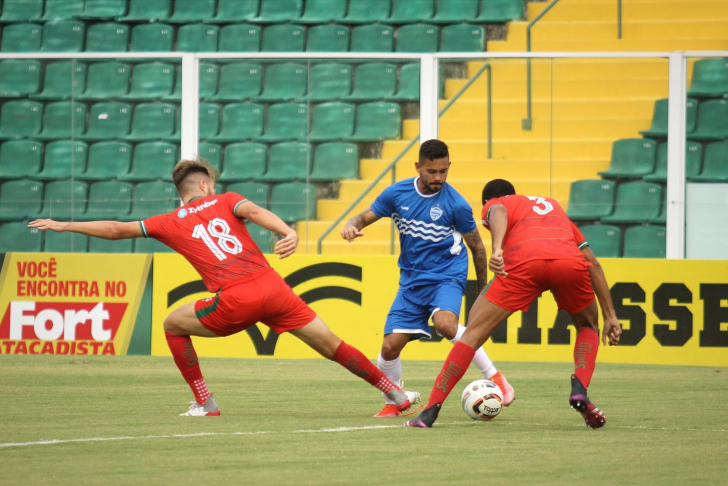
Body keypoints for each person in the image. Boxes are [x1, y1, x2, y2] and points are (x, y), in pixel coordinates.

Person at [28, 157, 420, 417]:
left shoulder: (167, 221)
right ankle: (394, 392)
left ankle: (205, 401)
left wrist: (64, 225)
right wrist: (286, 231)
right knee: (333, 345)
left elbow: (116, 229)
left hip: (236, 298)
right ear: (204, 183)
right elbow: (253, 211)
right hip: (273, 287)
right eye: (211, 181)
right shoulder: (227, 199)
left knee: (171, 323)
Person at [404, 179, 622, 429]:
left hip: (524, 264)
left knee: (472, 335)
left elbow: (498, 211)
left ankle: (430, 411)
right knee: (587, 326)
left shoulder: (496, 202)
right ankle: (580, 388)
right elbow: (592, 262)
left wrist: (497, 248)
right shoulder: (554, 210)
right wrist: (610, 316)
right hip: (568, 263)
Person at [341, 139, 514, 418]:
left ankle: (495, 377)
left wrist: (483, 292)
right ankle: (395, 400)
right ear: (418, 167)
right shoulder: (397, 194)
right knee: (389, 347)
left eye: (444, 171)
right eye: (432, 172)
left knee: (445, 324)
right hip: (411, 281)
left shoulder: (455, 203)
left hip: (447, 275)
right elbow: (363, 217)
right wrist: (350, 226)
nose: (438, 178)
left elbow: (477, 248)